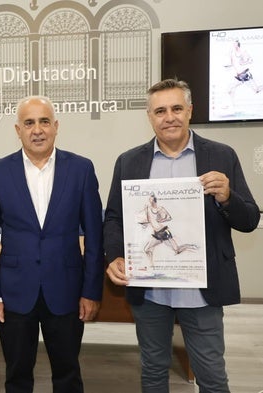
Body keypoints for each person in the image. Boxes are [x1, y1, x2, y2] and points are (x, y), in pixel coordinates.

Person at [103, 79, 260, 393]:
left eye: (176, 108)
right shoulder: (129, 161)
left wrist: (228, 196)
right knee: (153, 373)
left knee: (213, 377)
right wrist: (114, 255)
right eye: (160, 111)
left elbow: (250, 219)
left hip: (202, 290)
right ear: (150, 117)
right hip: (149, 292)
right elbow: (114, 219)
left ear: (190, 110)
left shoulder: (221, 155)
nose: (169, 117)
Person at [0, 96, 104, 393]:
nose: (37, 130)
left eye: (44, 121)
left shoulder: (81, 169)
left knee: (68, 374)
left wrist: (91, 291)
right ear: (17, 129)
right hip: (14, 293)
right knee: (17, 375)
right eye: (29, 123)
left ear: (56, 126)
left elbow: (95, 238)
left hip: (68, 291)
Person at [139, 193, 198, 268]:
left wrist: (160, 220)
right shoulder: (147, 208)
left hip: (164, 232)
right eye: (149, 199)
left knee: (177, 250)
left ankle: (191, 246)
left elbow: (169, 218)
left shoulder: (160, 209)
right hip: (157, 234)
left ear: (154, 200)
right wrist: (145, 223)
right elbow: (148, 219)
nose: (149, 200)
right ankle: (152, 266)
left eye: (151, 199)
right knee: (147, 249)